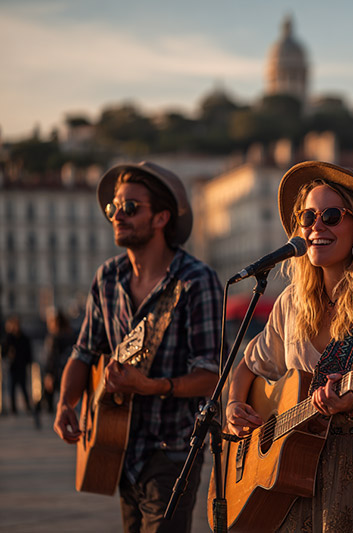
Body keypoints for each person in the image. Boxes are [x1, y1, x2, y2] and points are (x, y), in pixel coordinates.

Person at [226, 160, 353, 532]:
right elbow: (248, 365)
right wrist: (234, 405)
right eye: (308, 217)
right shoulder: (290, 303)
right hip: (289, 480)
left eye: (332, 216)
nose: (316, 227)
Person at [53, 161, 224, 533]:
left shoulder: (196, 281)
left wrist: (151, 386)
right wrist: (66, 402)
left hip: (172, 451)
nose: (117, 215)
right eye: (113, 207)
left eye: (130, 207)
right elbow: (83, 351)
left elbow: (212, 376)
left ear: (162, 218)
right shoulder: (108, 278)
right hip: (117, 446)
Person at [39, 308, 75, 414]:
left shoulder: (54, 338)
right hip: (69, 372)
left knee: (52, 407)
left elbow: (51, 358)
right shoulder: (71, 335)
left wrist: (49, 374)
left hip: (56, 374)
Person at [1, 316, 35, 417]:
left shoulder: (24, 338)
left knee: (23, 387)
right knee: (12, 388)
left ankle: (27, 406)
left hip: (22, 366)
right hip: (12, 366)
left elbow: (28, 352)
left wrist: (29, 363)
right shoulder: (9, 338)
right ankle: (13, 409)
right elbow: (3, 352)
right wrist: (8, 355)